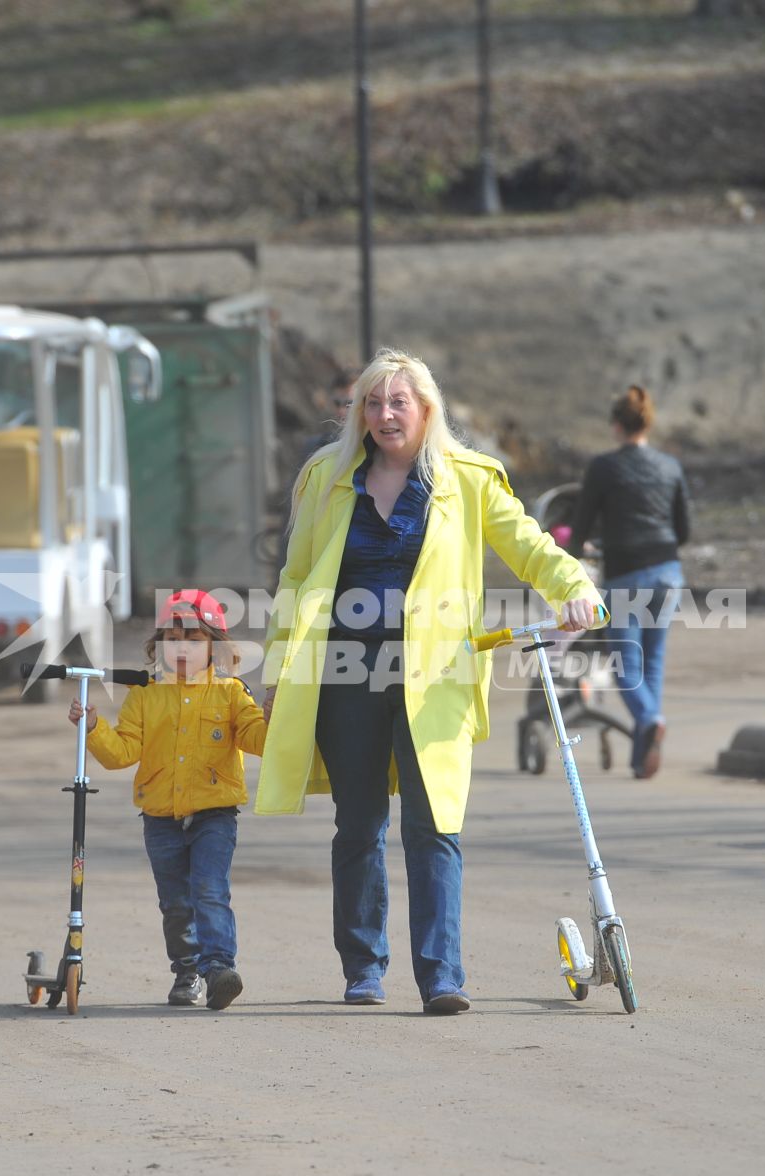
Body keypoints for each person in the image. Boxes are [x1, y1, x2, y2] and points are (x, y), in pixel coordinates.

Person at [256, 349, 602, 1014]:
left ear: (425, 410)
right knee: (357, 824)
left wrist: (576, 588)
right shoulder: (324, 480)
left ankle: (441, 973)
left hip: (436, 678)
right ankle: (363, 967)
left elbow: (529, 544)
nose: (385, 415)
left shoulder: (468, 479)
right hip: (343, 675)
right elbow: (295, 579)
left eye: (398, 403)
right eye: (373, 403)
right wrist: (277, 669)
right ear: (358, 412)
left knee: (435, 825)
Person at [69, 588, 269, 1010]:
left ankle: (218, 969)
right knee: (175, 901)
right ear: (157, 645)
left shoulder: (231, 691)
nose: (181, 648)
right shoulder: (145, 693)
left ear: (216, 646)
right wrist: (92, 727)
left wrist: (274, 717)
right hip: (159, 816)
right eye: (171, 638)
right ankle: (187, 971)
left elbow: (257, 740)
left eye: (193, 640)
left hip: (215, 812)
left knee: (210, 889)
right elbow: (122, 752)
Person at [567, 385, 692, 779]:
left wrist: (575, 551)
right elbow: (684, 528)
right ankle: (642, 757)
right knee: (651, 664)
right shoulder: (670, 466)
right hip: (668, 572)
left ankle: (651, 717)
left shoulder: (604, 467)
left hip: (627, 575)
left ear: (617, 426)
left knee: (626, 667)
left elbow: (582, 523)